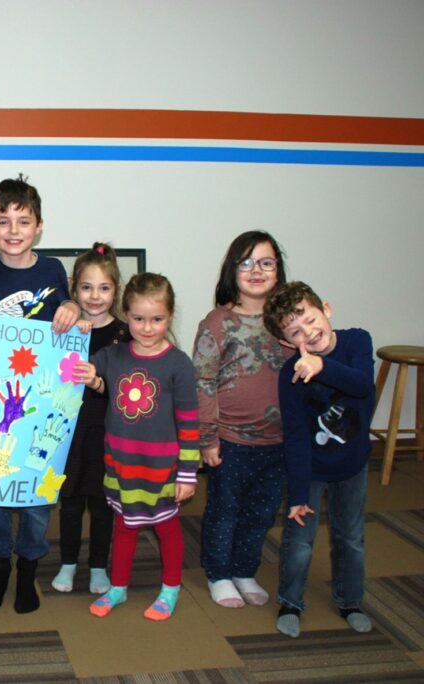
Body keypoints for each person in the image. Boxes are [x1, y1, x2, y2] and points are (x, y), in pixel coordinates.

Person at [0, 176, 84, 614]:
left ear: (39, 226)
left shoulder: (52, 270)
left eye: (23, 221)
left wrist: (72, 309)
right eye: (3, 221)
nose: (13, 230)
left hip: (42, 404)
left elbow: (68, 319)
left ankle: (28, 571)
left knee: (35, 497)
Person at [75, 273, 200, 621]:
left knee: (166, 528)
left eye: (157, 319)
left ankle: (170, 589)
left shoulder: (178, 364)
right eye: (138, 319)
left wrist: (188, 474)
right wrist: (83, 363)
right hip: (121, 464)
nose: (147, 328)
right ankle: (118, 586)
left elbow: (190, 423)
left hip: (161, 468)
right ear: (125, 315)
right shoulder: (113, 355)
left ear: (170, 317)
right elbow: (85, 365)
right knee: (125, 526)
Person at [263, 281, 375, 638]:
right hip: (310, 467)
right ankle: (291, 602)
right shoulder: (290, 375)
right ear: (285, 342)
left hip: (353, 463)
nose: (309, 333)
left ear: (326, 309)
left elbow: (361, 385)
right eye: (296, 332)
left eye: (311, 320)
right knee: (299, 540)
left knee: (350, 537)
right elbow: (295, 436)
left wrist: (322, 365)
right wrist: (296, 494)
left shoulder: (358, 340)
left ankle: (350, 601)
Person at [194, 231, 290, 608]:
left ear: (278, 271)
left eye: (266, 262)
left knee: (262, 512)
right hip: (230, 440)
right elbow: (202, 381)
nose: (256, 270)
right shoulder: (218, 322)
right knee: (225, 510)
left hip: (279, 440)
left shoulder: (287, 321)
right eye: (246, 262)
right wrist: (208, 438)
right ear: (232, 270)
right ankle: (219, 573)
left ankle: (244, 569)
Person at [51, 243, 130, 595]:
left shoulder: (125, 335)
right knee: (70, 501)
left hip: (108, 430)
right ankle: (68, 563)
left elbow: (133, 388)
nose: (95, 296)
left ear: (116, 290)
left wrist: (100, 383)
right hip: (69, 429)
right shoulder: (63, 329)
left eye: (104, 288)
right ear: (73, 288)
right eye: (86, 287)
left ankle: (99, 566)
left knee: (102, 503)